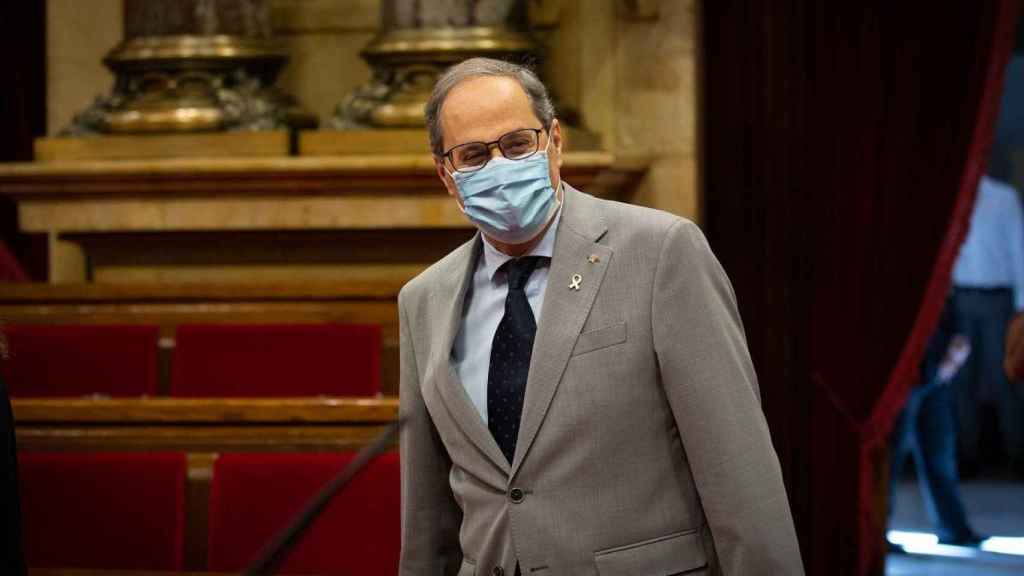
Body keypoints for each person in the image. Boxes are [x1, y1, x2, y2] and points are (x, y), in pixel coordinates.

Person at [398, 57, 802, 575]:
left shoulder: (661, 252)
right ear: (447, 176)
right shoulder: (423, 300)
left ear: (556, 141)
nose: (499, 167)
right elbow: (427, 518)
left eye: (518, 144)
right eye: (473, 155)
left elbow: (740, 474)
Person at [888, 299, 982, 547]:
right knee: (891, 457)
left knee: (940, 454)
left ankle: (953, 528)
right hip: (904, 372)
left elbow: (948, 303)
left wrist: (958, 342)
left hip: (937, 371)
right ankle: (876, 532)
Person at [950, 175, 1024, 477]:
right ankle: (966, 457)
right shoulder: (953, 194)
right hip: (962, 297)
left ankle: (1017, 456)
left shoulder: (1003, 197)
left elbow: (1018, 247)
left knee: (1003, 378)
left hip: (997, 298)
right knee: (961, 381)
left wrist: (1021, 304)